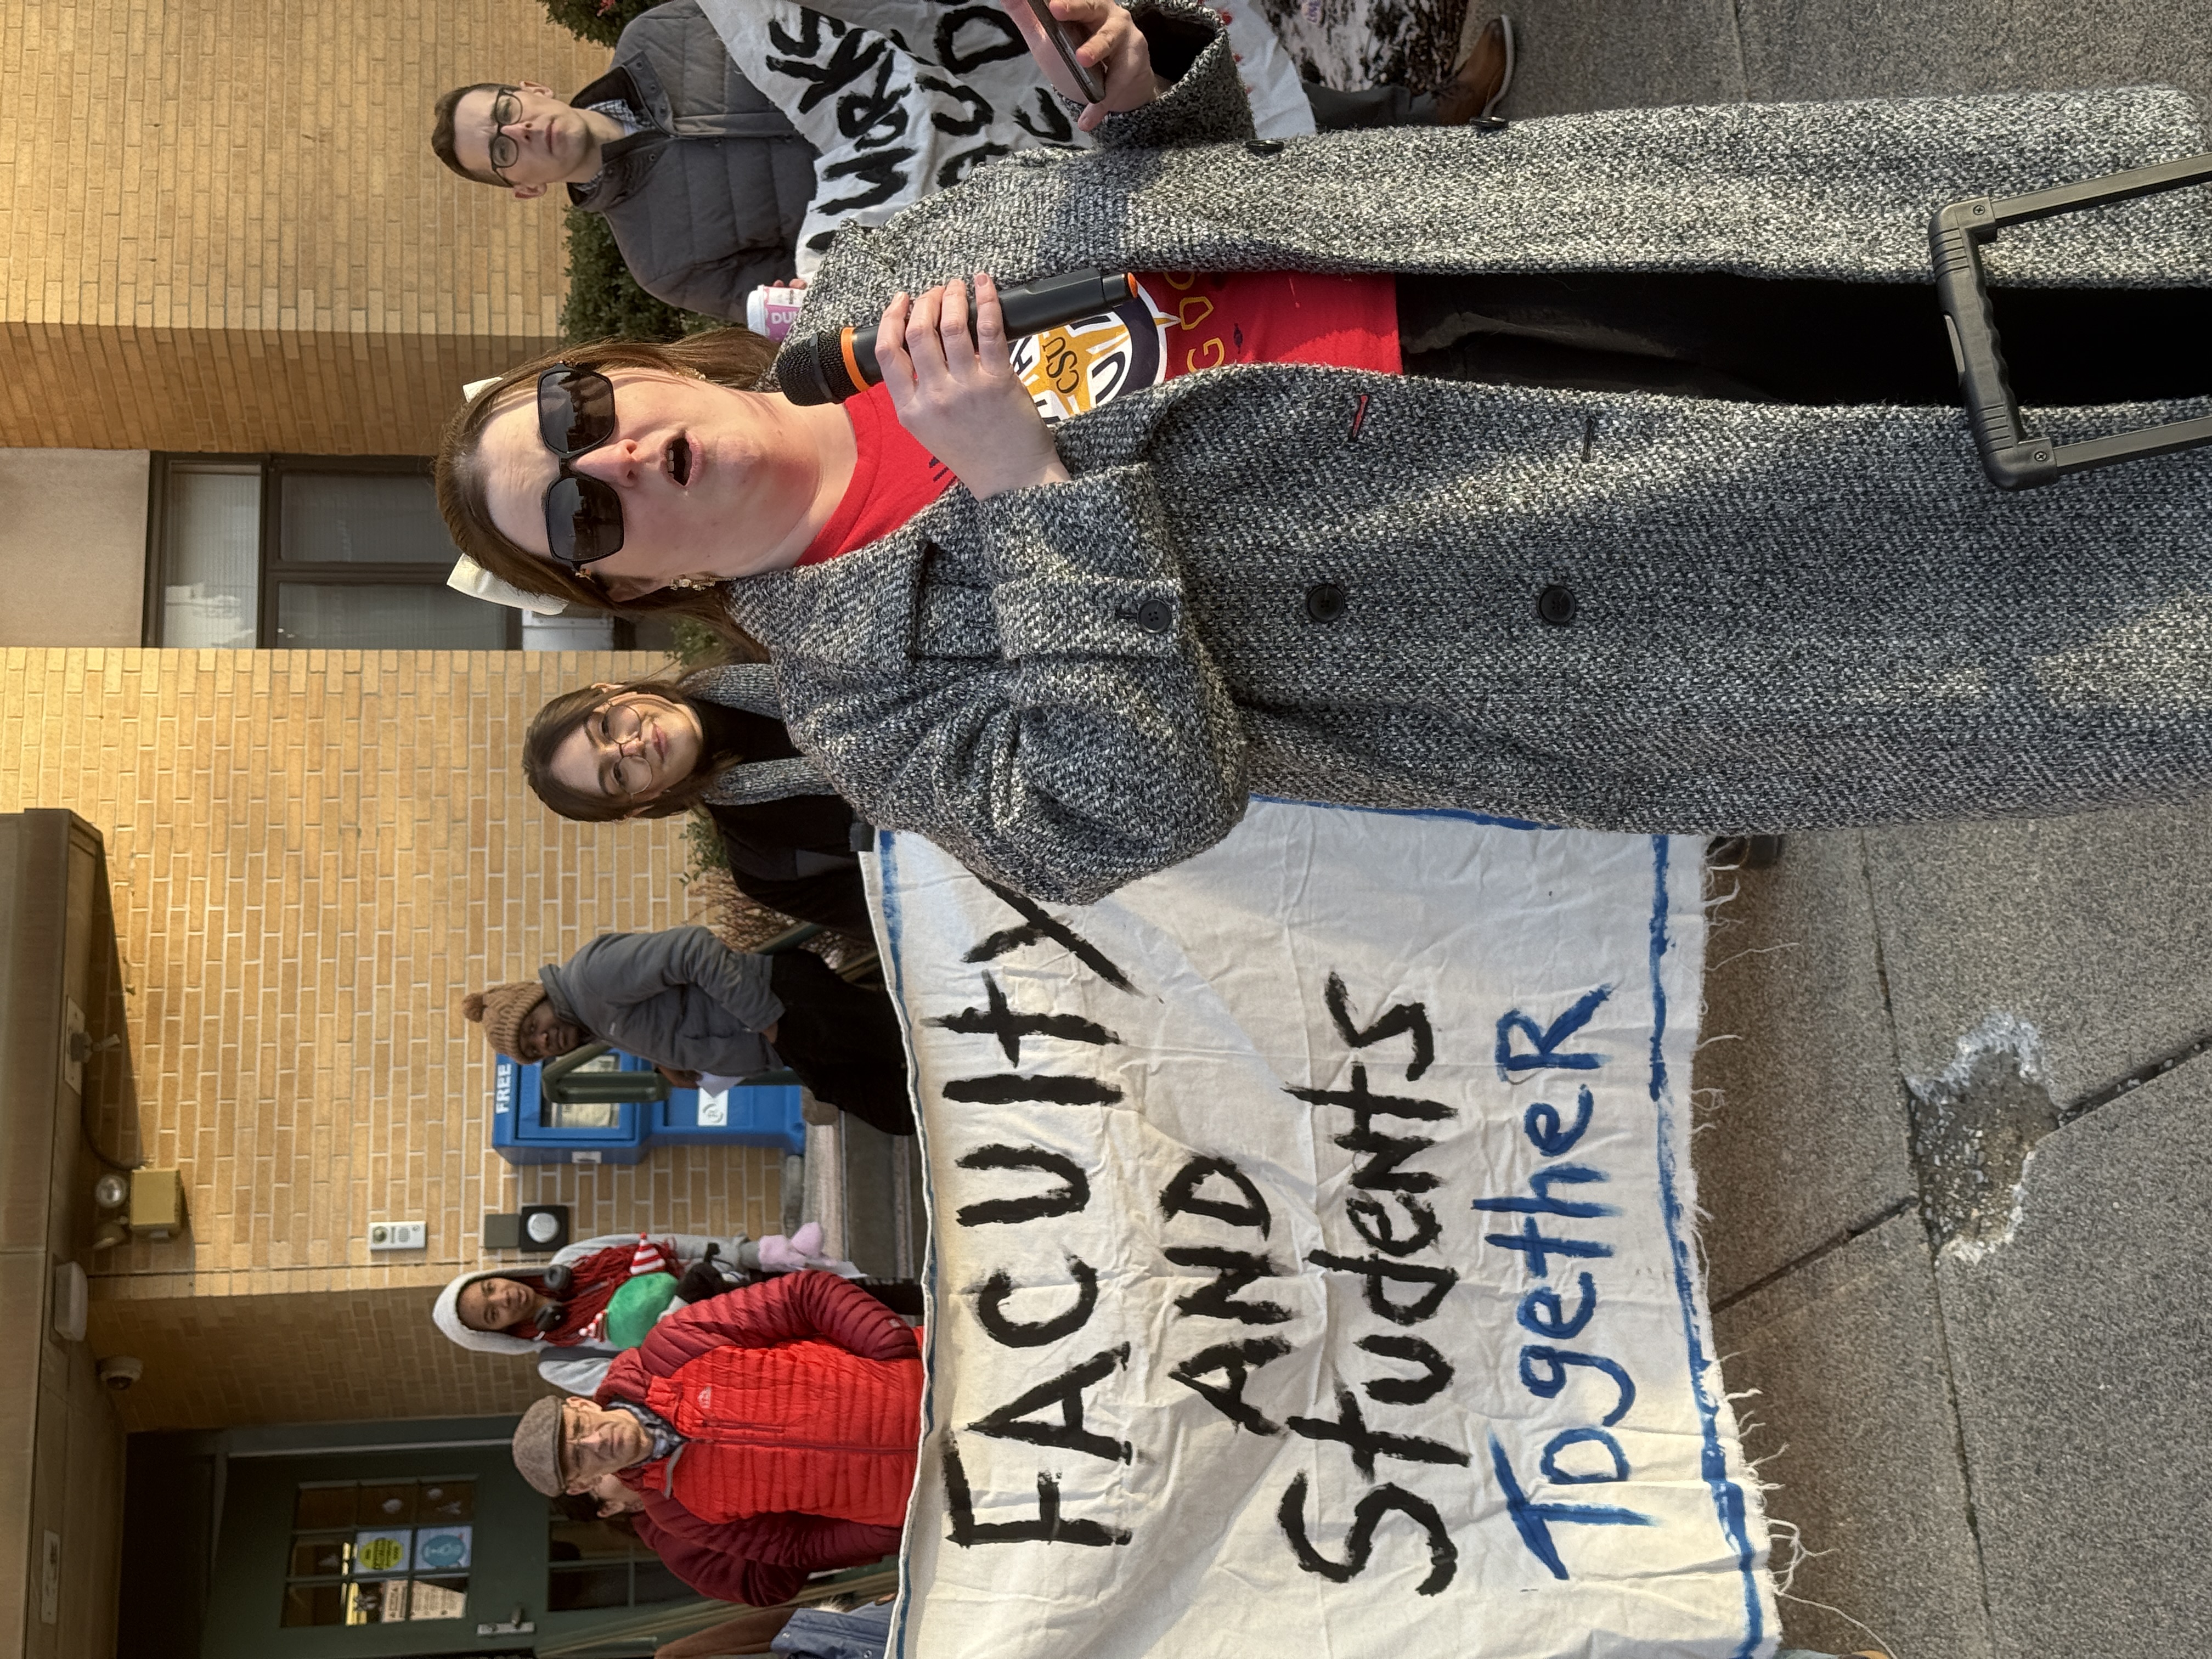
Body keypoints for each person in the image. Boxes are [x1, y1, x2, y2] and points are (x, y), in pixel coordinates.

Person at [433, 0, 2212, 907]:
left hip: (1503, 269)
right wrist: (1021, 495)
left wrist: (1151, 97)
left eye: (579, 418)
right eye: (580, 516)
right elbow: (1129, 803)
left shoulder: (874, 271)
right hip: (1544, 566)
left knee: (2037, 293)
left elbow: (1168, 210)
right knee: (2060, 544)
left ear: (615, 364)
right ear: (631, 584)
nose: (617, 461)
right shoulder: (860, 710)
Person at [429, 0, 1516, 318]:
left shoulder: (660, 33)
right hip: (990, 198)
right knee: (1201, 171)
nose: (517, 133)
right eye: (499, 154)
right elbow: (820, 303)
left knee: (1180, 86)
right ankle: (1428, 217)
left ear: (528, 91)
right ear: (520, 189)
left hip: (980, 77)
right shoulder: (660, 260)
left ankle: (1428, 112)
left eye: (503, 113)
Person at [509, 1271, 923, 1607]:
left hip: (940, 1381)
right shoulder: (676, 1514)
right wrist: (891, 1528)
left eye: (579, 1430)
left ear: (581, 1407)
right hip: (942, 1489)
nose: (595, 1443)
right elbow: (796, 1546)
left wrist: (893, 1350)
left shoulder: (674, 1346)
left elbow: (803, 1295)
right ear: (583, 1485)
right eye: (578, 1460)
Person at [523, 662, 871, 939]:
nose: (630, 747)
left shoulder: (762, 639)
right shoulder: (769, 867)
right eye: (618, 775)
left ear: (610, 692)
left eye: (605, 728)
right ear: (642, 804)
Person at [461, 925, 915, 1135]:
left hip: (787, 1004)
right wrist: (666, 1063)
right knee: (898, 1111)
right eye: (533, 1050)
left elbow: (691, 949)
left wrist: (768, 1021)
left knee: (920, 1042)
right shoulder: (593, 1023)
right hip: (786, 1042)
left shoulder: (591, 978)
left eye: (533, 1028)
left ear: (538, 999)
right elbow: (663, 1014)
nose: (543, 1042)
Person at [433, 1226, 849, 1393]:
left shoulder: (575, 1257)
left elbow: (663, 1242)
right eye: (492, 1314)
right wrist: (679, 1311)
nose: (503, 1298)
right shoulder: (559, 1362)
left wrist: (749, 1253)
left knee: (856, 1295)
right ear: (500, 1334)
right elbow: (646, 1375)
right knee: (849, 1337)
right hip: (750, 1346)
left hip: (738, 1282)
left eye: (490, 1287)